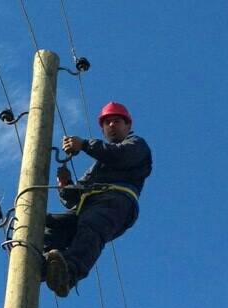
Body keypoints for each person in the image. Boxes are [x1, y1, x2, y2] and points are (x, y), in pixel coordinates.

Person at [42, 101, 152, 297]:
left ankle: (68, 273)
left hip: (116, 202)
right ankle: (42, 264)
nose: (111, 125)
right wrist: (65, 184)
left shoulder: (136, 145)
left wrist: (84, 144)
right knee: (52, 225)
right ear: (102, 129)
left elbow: (121, 156)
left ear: (128, 126)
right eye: (107, 122)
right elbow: (72, 198)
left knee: (92, 226)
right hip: (89, 206)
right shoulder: (97, 168)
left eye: (117, 121)